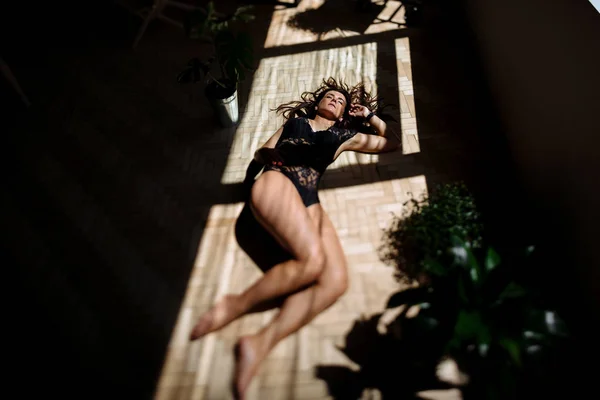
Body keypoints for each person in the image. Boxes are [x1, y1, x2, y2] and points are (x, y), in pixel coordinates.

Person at [189, 78, 400, 399]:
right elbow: (264, 149)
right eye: (329, 96)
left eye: (340, 101)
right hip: (279, 180)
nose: (334, 100)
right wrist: (266, 157)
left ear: (344, 113)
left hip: (309, 196)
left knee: (335, 281)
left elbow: (392, 142)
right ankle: (233, 306)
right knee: (312, 262)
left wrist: (370, 116)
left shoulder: (344, 136)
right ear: (317, 103)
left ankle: (259, 343)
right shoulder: (296, 123)